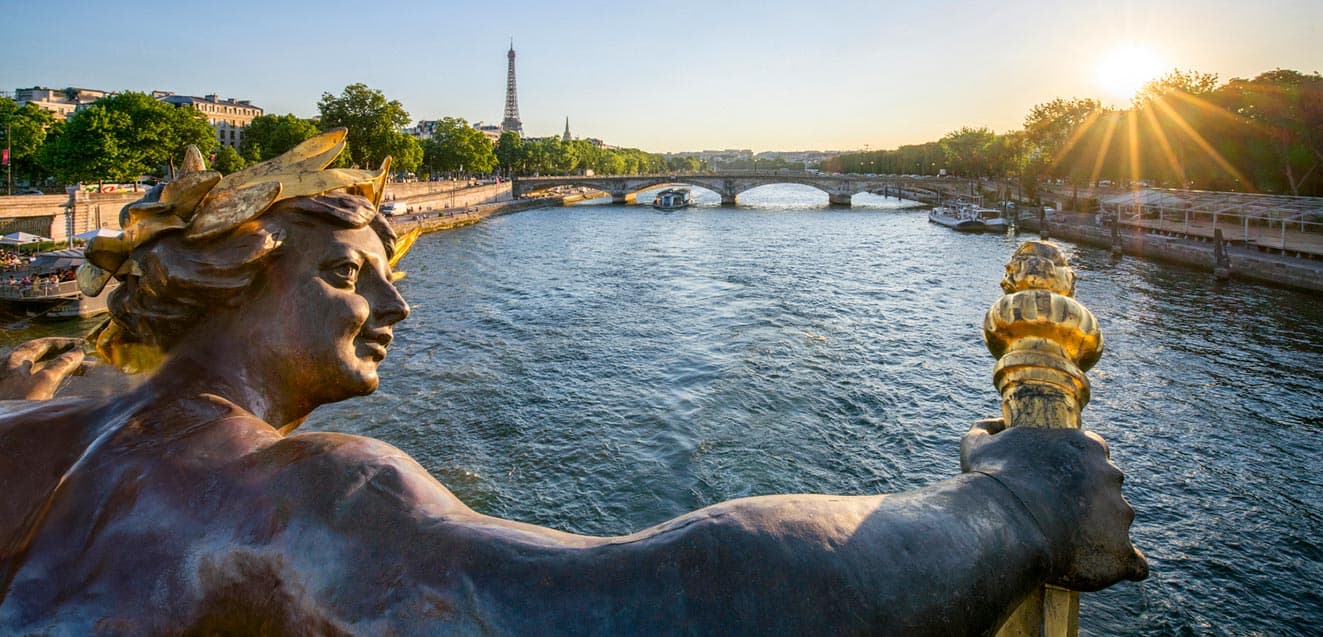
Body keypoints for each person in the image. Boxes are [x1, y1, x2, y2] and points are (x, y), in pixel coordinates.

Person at [0, 131, 1146, 635]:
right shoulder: (308, 500)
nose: (399, 305)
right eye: (352, 273)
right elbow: (695, 595)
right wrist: (1013, 503)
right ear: (238, 277)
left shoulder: (36, 407)